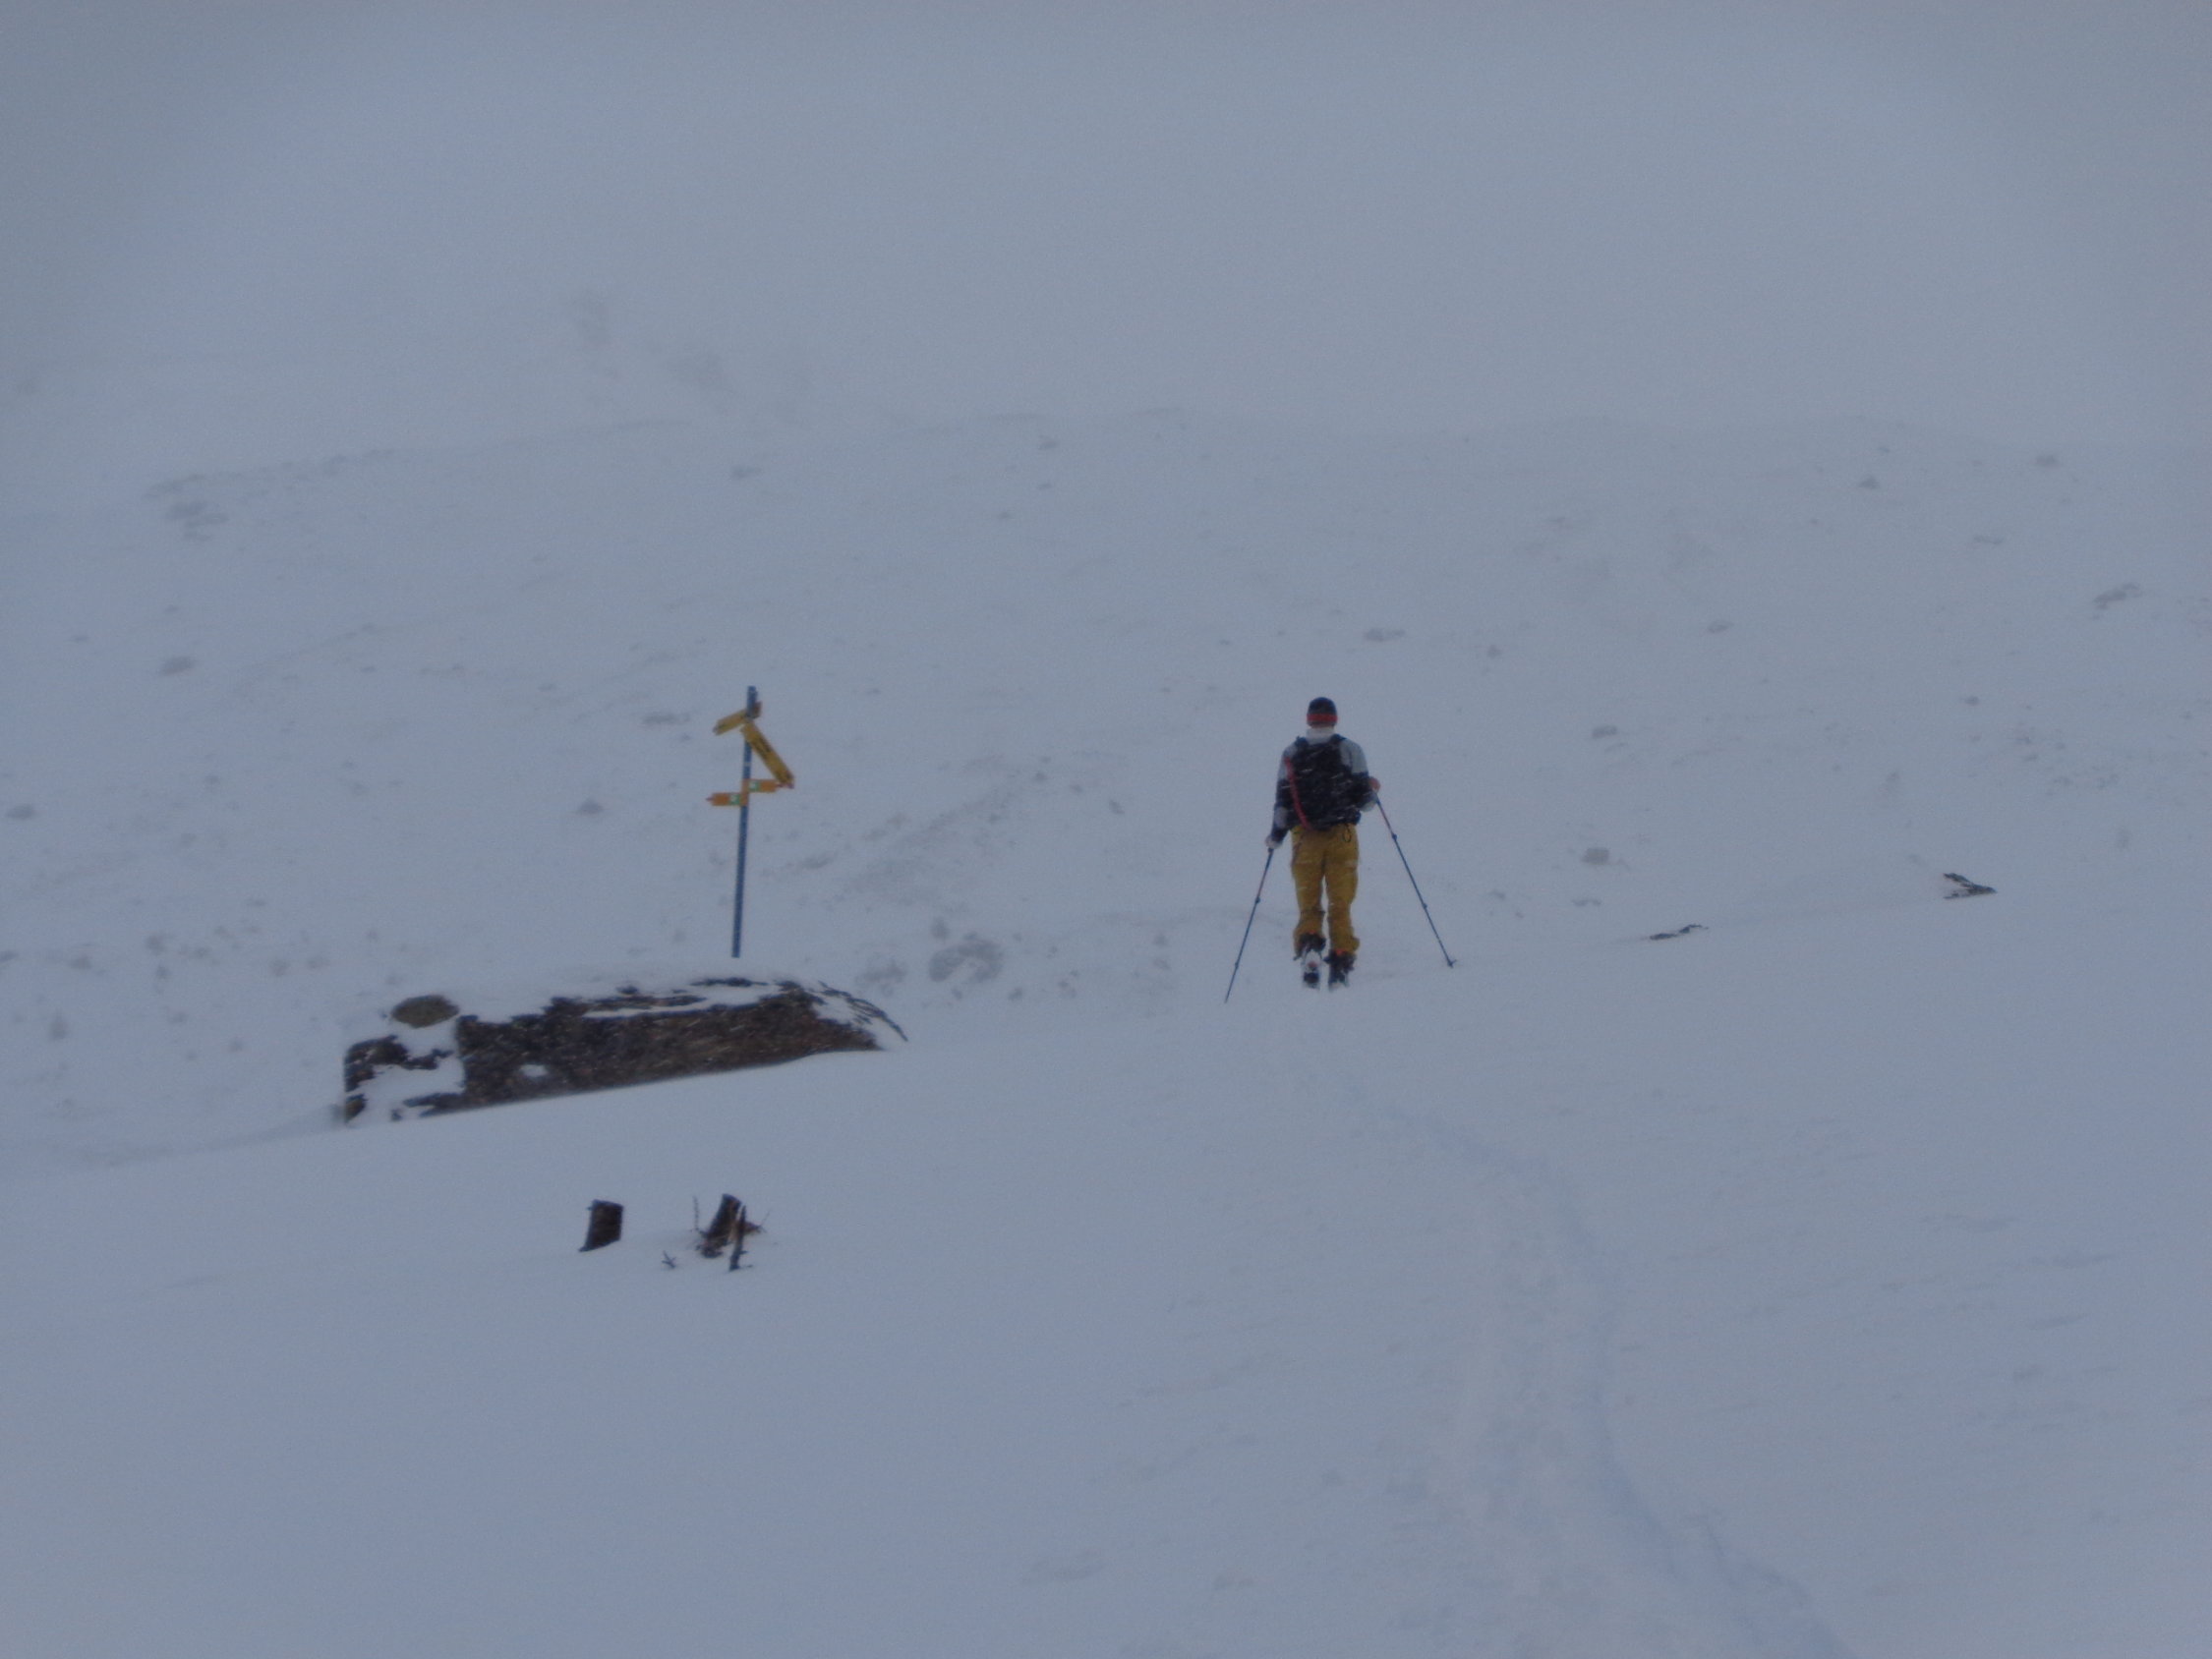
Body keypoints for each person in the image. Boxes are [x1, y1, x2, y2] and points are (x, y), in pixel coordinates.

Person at [1267, 697, 1377, 987]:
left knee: (1309, 902)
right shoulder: (1351, 749)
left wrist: (1276, 837)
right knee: (1341, 901)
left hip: (1304, 837)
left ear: (1309, 719)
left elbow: (1283, 802)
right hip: (1342, 834)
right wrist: (1373, 789)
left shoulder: (1292, 753)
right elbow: (1365, 802)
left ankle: (1310, 945)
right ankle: (1341, 957)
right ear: (1334, 719)